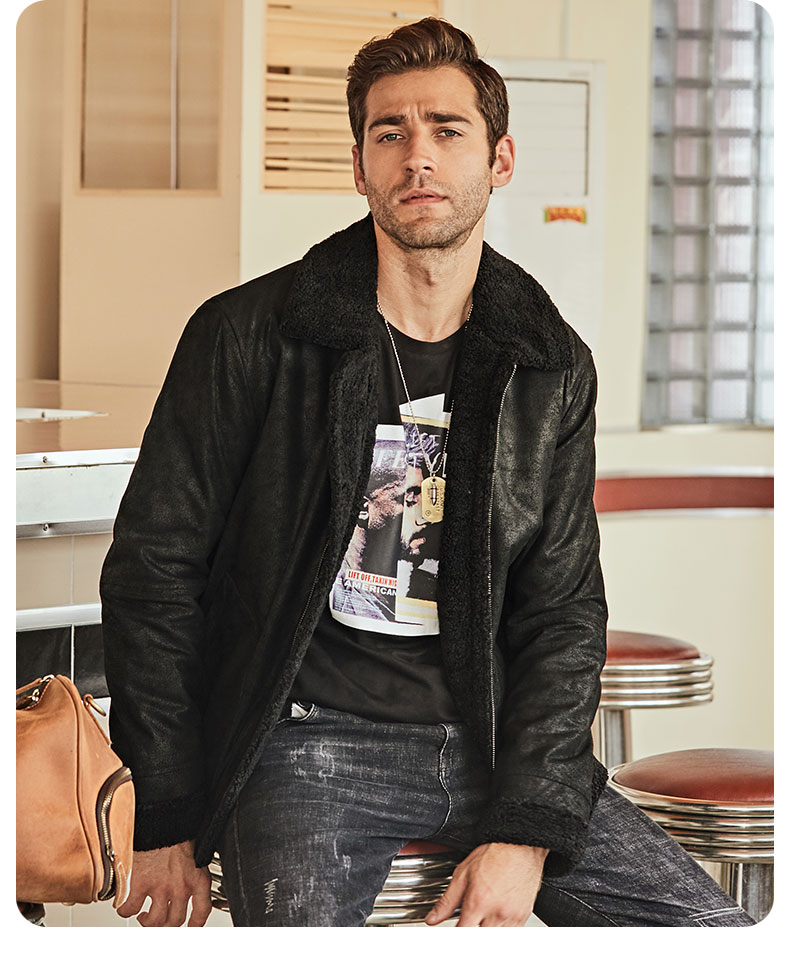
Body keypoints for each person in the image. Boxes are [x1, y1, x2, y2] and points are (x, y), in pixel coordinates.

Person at [100, 17, 755, 928]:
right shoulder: (247, 336)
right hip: (308, 743)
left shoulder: (548, 363)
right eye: (390, 134)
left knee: (715, 929)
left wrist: (526, 826)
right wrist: (163, 808)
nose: (419, 157)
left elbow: (562, 612)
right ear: (359, 165)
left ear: (500, 159)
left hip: (490, 741)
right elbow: (153, 572)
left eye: (448, 130)